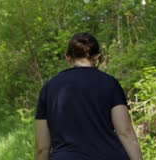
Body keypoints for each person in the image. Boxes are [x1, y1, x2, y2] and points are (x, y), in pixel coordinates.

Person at [35, 32, 143, 160]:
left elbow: (42, 148)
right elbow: (125, 132)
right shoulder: (110, 83)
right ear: (97, 57)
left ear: (68, 57)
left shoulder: (49, 88)